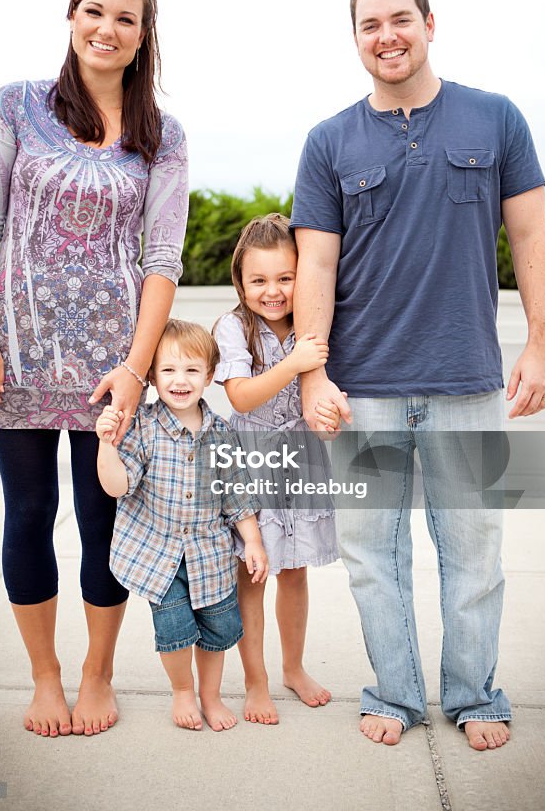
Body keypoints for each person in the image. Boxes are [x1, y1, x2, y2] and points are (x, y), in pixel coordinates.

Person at [290, 0, 545, 751]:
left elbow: (531, 236)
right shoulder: (329, 141)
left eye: (399, 18)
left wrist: (540, 347)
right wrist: (314, 372)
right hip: (362, 387)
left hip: (467, 381)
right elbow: (315, 265)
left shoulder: (496, 118)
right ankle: (396, 695)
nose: (387, 36)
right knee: (375, 559)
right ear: (356, 40)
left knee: (474, 553)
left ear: (429, 24)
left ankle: (475, 695)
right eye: (370, 25)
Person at [0, 0, 189, 739]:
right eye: (95, 10)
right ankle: (46, 678)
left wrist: (134, 371)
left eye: (127, 17)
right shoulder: (16, 106)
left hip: (110, 374)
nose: (108, 28)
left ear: (143, 34)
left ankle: (97, 674)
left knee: (104, 523)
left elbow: (162, 261)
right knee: (29, 513)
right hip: (17, 360)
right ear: (71, 17)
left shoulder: (163, 136)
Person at [96, 319, 268, 731]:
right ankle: (182, 691)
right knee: (173, 629)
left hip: (210, 554)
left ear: (209, 376)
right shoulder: (142, 427)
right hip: (159, 555)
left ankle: (211, 695)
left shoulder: (222, 434)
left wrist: (254, 543)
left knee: (217, 626)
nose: (180, 380)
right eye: (169, 370)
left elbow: (237, 495)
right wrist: (106, 446)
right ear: (152, 376)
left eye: (192, 370)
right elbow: (117, 486)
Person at [213, 213, 340, 726]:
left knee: (294, 571)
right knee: (253, 573)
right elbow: (241, 398)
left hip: (301, 459)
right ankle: (255, 680)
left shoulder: (312, 324)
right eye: (258, 280)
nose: (273, 291)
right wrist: (294, 363)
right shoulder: (234, 327)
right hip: (252, 462)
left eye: (286, 278)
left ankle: (293, 667)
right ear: (240, 282)